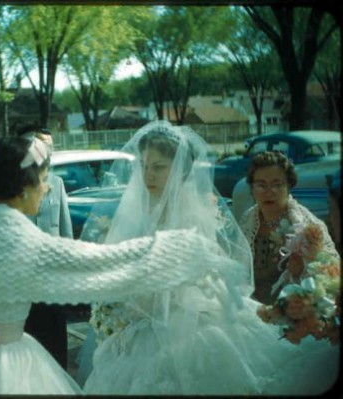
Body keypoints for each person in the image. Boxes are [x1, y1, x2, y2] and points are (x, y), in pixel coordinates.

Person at [0, 136, 249, 394]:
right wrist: (183, 248)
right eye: (45, 180)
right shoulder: (32, 244)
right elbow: (109, 265)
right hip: (9, 367)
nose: (47, 190)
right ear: (25, 185)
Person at [81, 121, 339, 395]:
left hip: (186, 317)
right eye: (144, 166)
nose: (148, 175)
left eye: (158, 167)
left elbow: (193, 274)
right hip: (141, 319)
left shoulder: (192, 214)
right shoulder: (139, 211)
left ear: (179, 169)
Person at [239, 151, 339, 305]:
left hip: (292, 312)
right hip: (247, 308)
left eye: (277, 184)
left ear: (289, 186)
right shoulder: (247, 220)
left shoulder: (308, 225)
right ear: (252, 188)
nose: (268, 192)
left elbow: (329, 277)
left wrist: (301, 270)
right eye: (261, 185)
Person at [18, 125, 72, 369]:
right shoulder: (16, 183)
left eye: (51, 147)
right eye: (43, 146)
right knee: (31, 338)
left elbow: (65, 228)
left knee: (56, 338)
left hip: (54, 274)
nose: (48, 151)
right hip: (25, 274)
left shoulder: (57, 183)